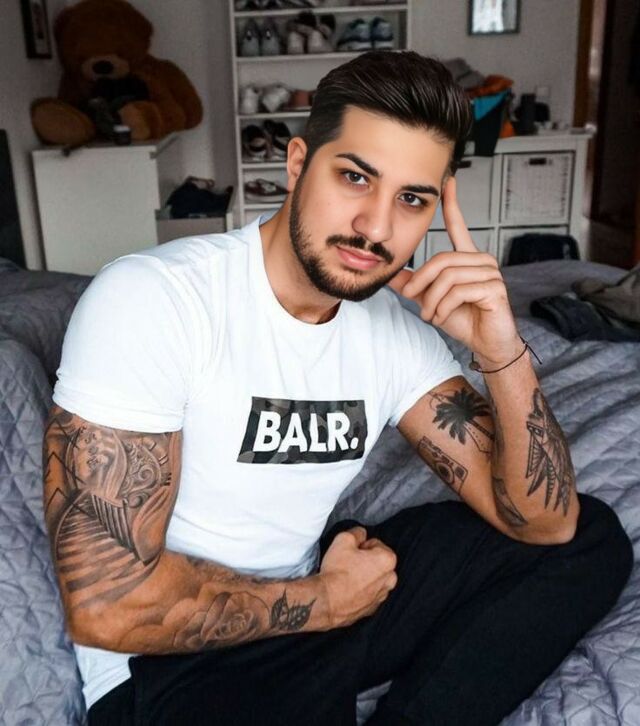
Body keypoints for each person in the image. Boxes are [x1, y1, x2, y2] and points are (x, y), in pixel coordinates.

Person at [43, 51, 633, 726]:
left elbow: (545, 522)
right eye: (355, 177)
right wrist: (326, 600)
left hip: (318, 596)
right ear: (297, 164)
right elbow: (107, 607)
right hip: (174, 660)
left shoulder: (391, 331)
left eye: (411, 199)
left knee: (589, 539)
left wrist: (502, 351)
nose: (376, 228)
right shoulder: (154, 299)